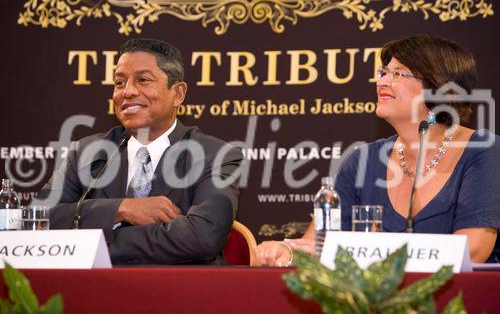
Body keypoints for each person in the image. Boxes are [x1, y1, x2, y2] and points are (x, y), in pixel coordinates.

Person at [255, 35, 500, 266]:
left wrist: (369, 253)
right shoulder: (363, 160)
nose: (381, 81)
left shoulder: (483, 151)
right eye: (383, 72)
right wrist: (289, 251)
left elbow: (473, 251)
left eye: (398, 74)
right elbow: (319, 244)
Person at [39, 38, 243, 265]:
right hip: (100, 294)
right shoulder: (87, 152)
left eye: (143, 80)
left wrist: (95, 243)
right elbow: (39, 220)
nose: (127, 92)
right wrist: (121, 209)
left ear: (178, 94)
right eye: (119, 82)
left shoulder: (216, 155)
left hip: (182, 294)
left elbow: (202, 237)